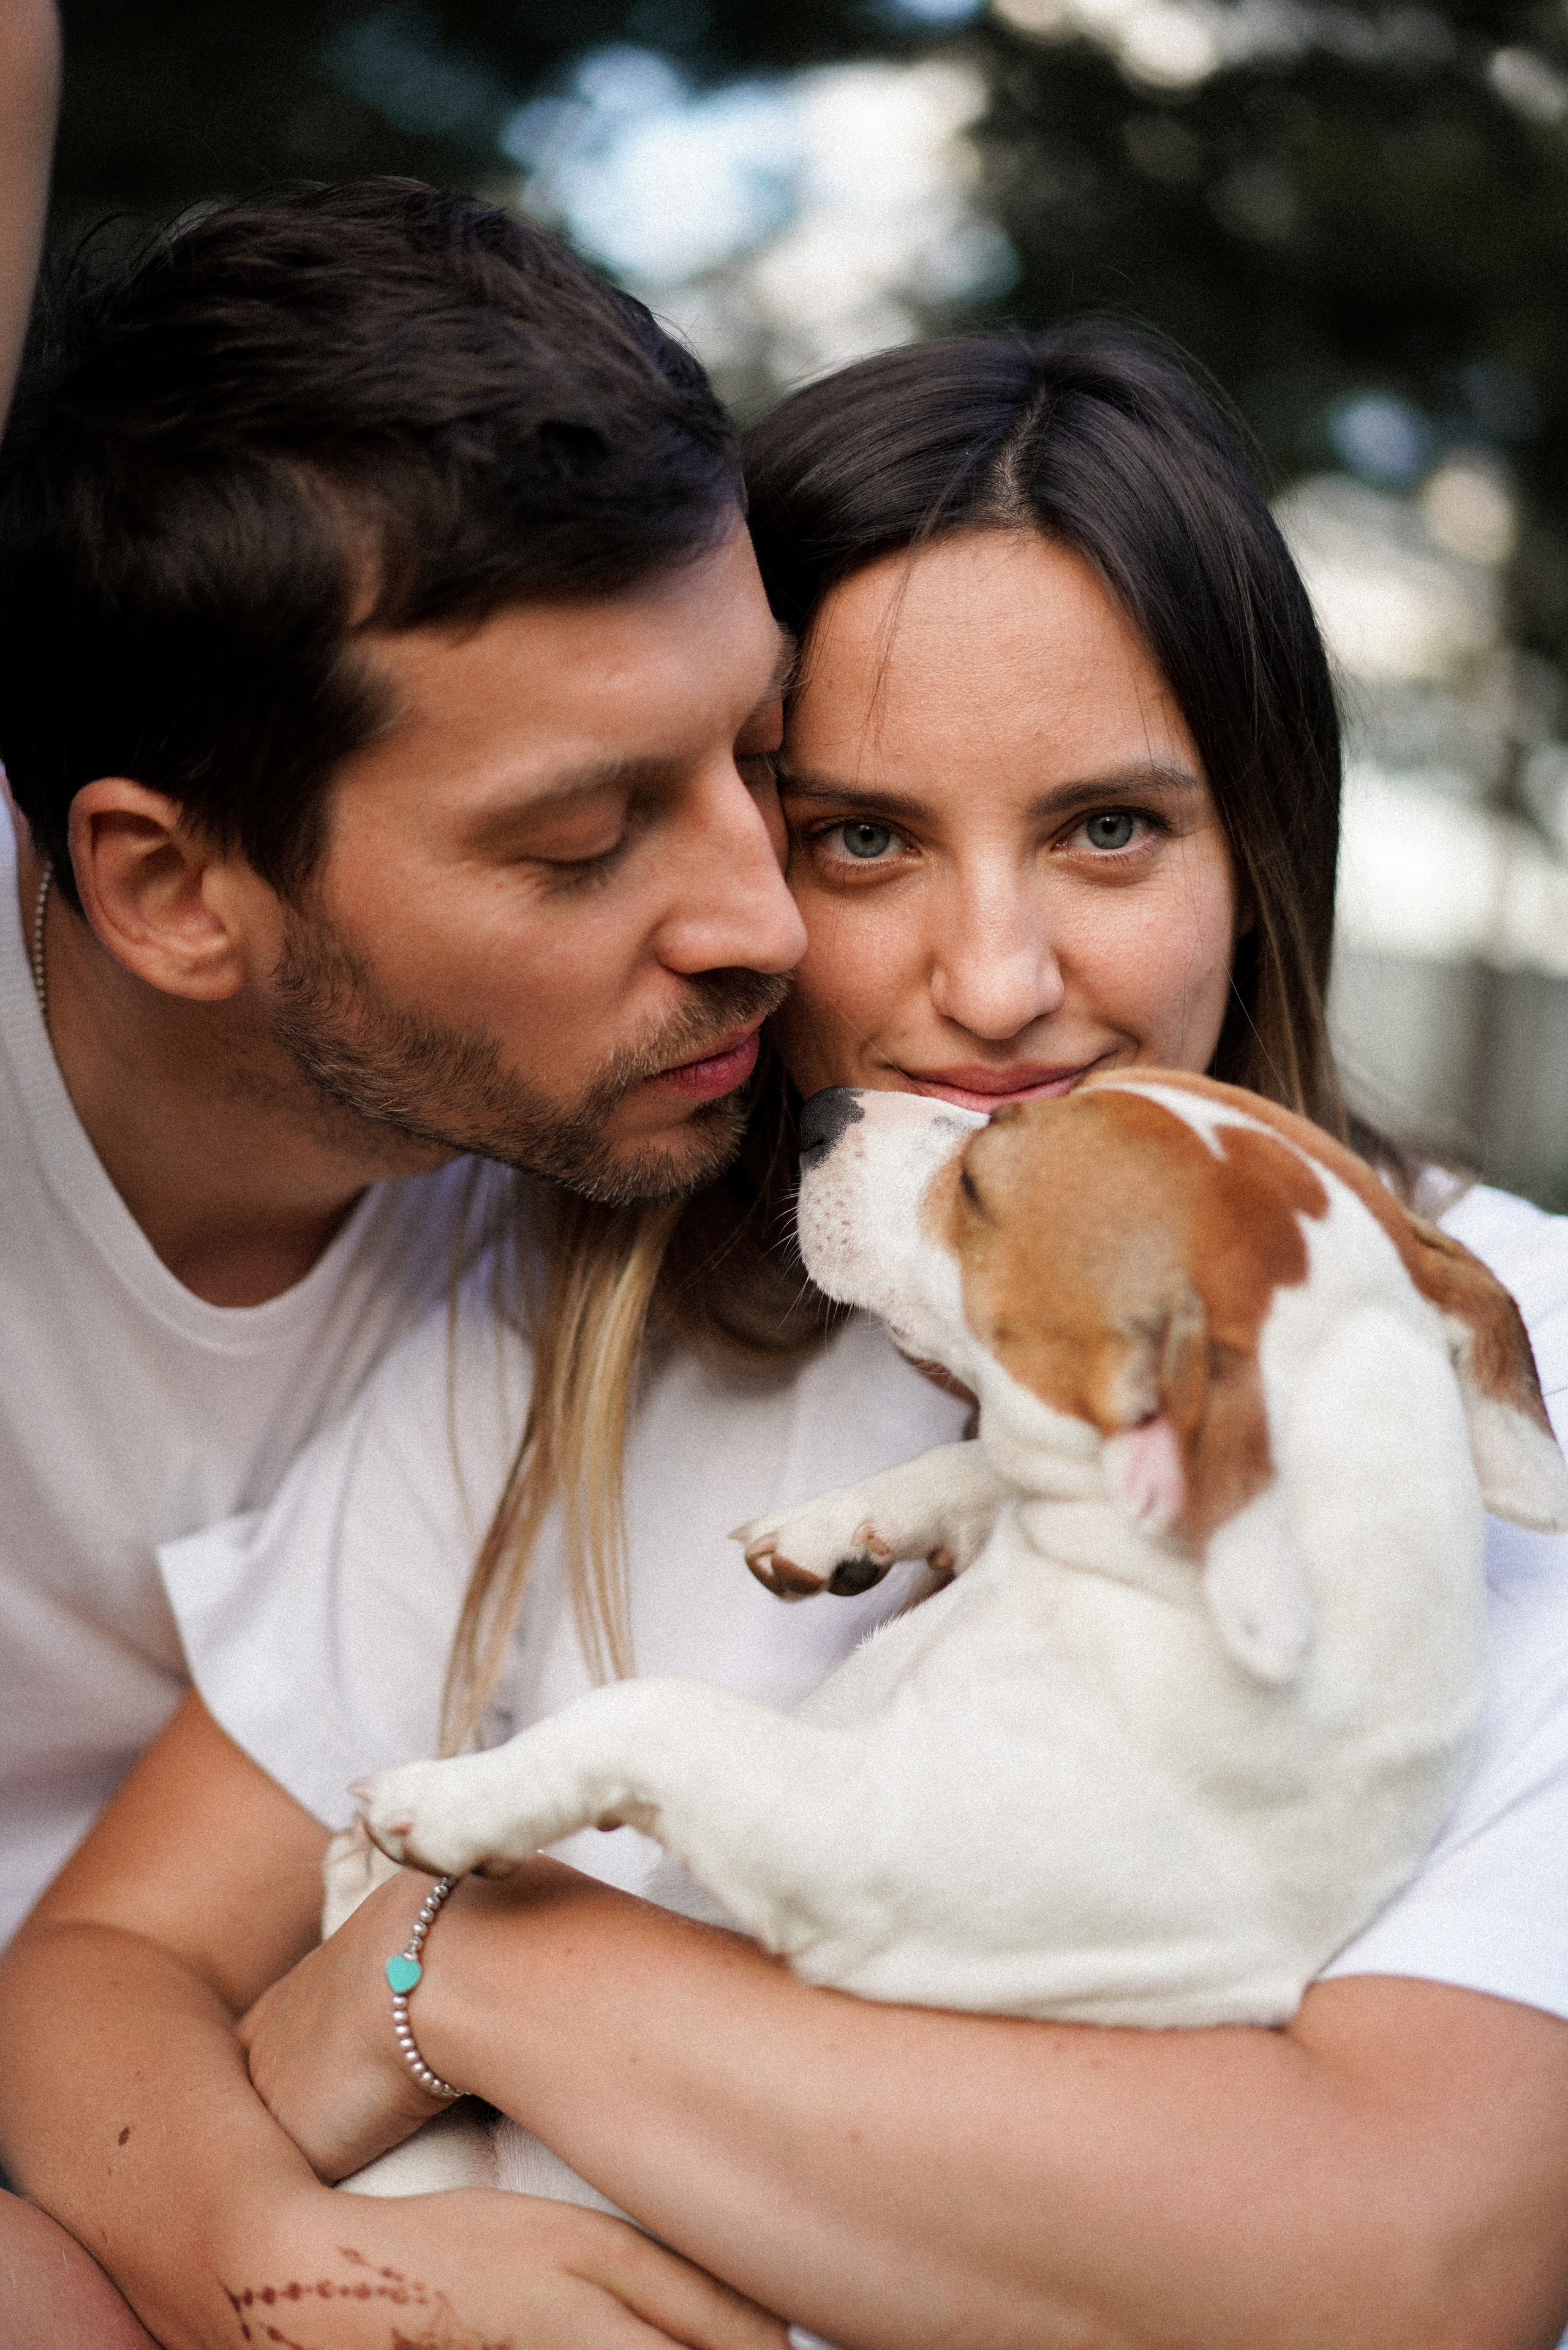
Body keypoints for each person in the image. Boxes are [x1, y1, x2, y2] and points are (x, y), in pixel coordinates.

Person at [6, 326, 1568, 2350]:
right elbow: (98, 1966)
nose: (995, 984)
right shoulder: (589, 1314)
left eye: (1110, 829)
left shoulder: (1475, 1353)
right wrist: (276, 2274)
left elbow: (1409, 2262)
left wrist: (479, 1969)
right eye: (865, 839)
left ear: (1254, 857)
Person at [0, 177, 809, 2346]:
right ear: (172, 889)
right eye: (581, 839)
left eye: (766, 762)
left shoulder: (658, 1155)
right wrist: (291, 2284)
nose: (770, 923)